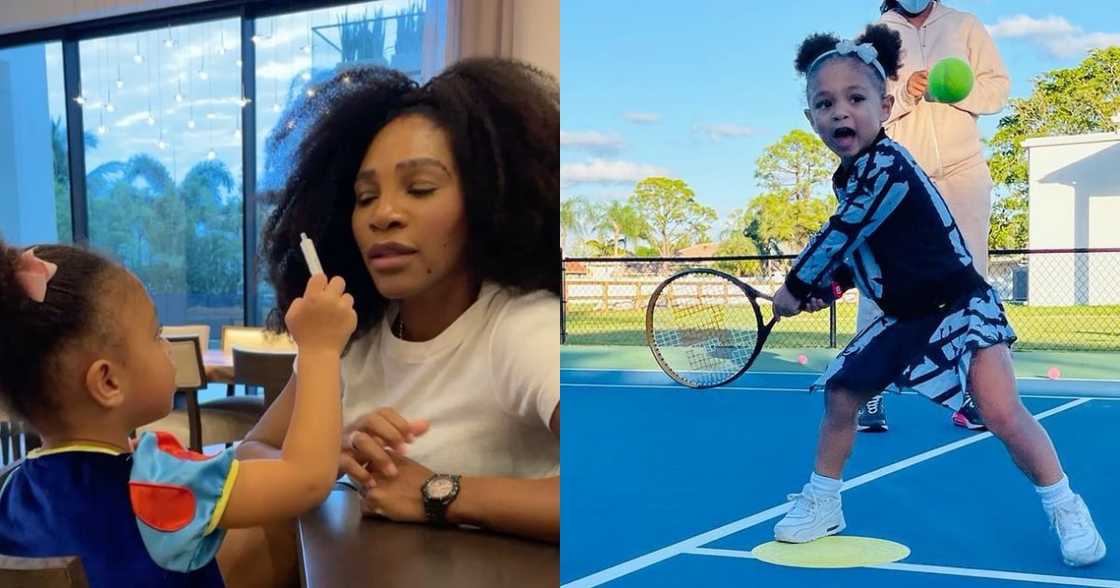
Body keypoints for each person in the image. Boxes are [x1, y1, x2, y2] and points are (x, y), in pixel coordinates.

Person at [768, 25, 1105, 568]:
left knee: (1000, 410)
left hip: (957, 304)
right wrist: (831, 287)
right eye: (825, 103)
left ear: (886, 103)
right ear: (811, 119)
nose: (841, 113)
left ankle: (1065, 505)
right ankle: (824, 502)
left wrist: (796, 286)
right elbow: (869, 252)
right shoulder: (850, 174)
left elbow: (845, 230)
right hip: (904, 314)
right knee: (842, 398)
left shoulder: (886, 166)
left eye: (856, 99)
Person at [234, 56, 560, 573]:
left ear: (487, 201)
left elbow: (624, 486)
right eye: (365, 197)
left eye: (421, 188)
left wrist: (439, 493)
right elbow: (252, 450)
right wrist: (320, 457)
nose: (383, 214)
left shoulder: (519, 328)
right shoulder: (352, 333)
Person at [0, 240, 357, 586]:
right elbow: (306, 480)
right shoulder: (156, 482)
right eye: (156, 334)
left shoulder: (10, 489)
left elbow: (252, 452)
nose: (168, 347)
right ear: (108, 383)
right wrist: (320, 350)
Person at [857, 0, 1011, 432]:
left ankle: (978, 394)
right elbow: (864, 103)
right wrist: (907, 93)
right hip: (903, 171)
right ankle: (868, 391)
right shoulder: (875, 33)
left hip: (964, 171)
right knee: (881, 279)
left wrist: (957, 91)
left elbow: (997, 88)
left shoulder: (964, 25)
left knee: (971, 283)